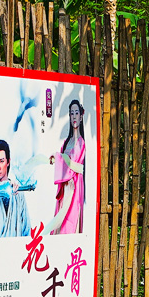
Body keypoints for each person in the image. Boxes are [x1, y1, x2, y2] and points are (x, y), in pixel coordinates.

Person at [50, 100, 88, 234]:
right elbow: (64, 160)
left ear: (81, 116)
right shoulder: (66, 142)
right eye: (72, 113)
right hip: (65, 185)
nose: (74, 116)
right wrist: (56, 158)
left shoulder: (81, 142)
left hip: (74, 185)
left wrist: (59, 157)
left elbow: (73, 164)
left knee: (71, 218)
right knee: (61, 219)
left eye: (76, 113)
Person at [0, 139, 30, 238]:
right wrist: (5, 186)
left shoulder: (18, 192)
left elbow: (26, 229)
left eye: (1, 161)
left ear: (8, 162)